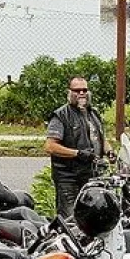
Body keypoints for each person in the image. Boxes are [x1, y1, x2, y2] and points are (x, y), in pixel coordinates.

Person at [44, 76, 106, 217]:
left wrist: (109, 151)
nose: (82, 93)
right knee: (71, 219)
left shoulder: (93, 113)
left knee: (93, 217)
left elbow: (100, 138)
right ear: (69, 92)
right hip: (68, 178)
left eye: (84, 90)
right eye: (77, 90)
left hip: (91, 176)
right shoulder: (61, 115)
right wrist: (77, 153)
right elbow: (50, 146)